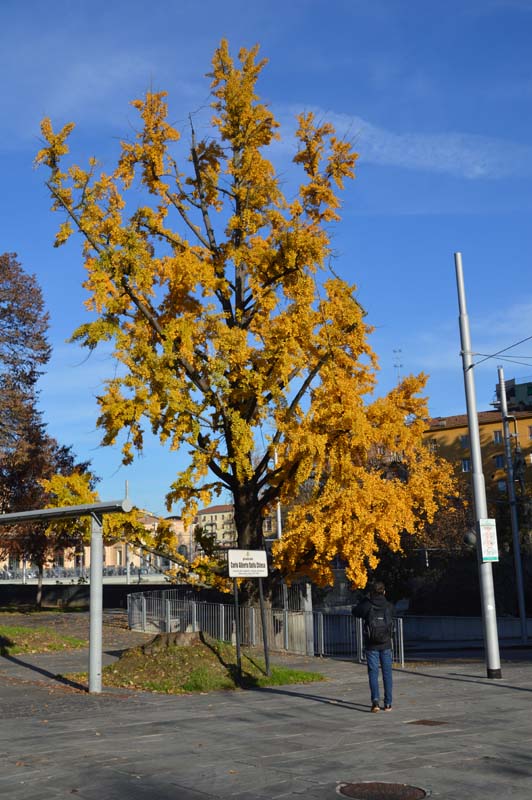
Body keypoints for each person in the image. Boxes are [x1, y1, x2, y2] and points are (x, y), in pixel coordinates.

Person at [352, 581, 395, 713]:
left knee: (373, 672)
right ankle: (388, 703)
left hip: (371, 644)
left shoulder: (367, 605)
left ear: (372, 592)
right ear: (384, 591)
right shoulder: (388, 605)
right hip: (386, 643)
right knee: (387, 673)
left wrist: (365, 598)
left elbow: (355, 611)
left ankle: (375, 702)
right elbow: (393, 614)